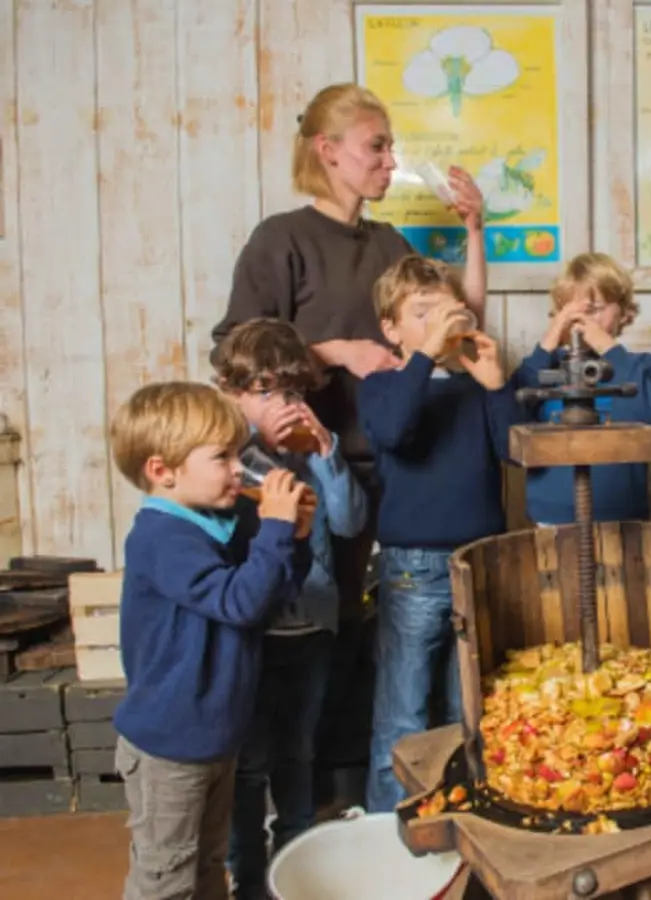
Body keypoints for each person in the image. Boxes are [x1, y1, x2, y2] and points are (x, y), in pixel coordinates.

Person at [210, 82, 488, 809]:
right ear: (327, 152)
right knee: (298, 640)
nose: (389, 159)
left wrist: (473, 230)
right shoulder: (281, 239)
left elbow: (451, 328)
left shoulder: (390, 243)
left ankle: (355, 794)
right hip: (305, 479)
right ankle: (295, 806)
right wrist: (335, 351)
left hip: (386, 474)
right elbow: (234, 346)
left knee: (363, 640)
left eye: (390, 146)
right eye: (376, 145)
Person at [108, 382, 310, 900]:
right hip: (170, 745)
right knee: (166, 876)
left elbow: (268, 595)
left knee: (207, 863)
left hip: (216, 736)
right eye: (221, 457)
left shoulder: (218, 524)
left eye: (237, 454)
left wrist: (293, 537)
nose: (239, 470)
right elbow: (237, 601)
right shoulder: (162, 538)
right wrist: (273, 532)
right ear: (162, 470)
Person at [358, 256, 523, 812]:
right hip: (412, 569)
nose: (436, 323)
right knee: (403, 712)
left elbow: (512, 454)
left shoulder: (475, 389)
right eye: (420, 313)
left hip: (478, 562)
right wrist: (426, 354)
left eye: (444, 310)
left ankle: (459, 822)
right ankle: (386, 828)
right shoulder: (382, 387)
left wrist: (498, 386)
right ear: (391, 328)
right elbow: (395, 433)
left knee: (466, 707)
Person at [214, 319, 369, 899]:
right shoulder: (225, 458)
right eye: (268, 392)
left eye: (295, 393)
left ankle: (295, 881)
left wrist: (327, 451)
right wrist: (255, 449)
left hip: (313, 627)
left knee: (299, 761)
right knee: (249, 769)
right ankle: (247, 883)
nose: (286, 405)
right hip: (252, 635)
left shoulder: (311, 455)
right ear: (232, 393)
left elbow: (352, 522)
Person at [515, 252, 651, 525]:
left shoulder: (638, 367)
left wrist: (608, 349)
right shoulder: (543, 368)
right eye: (571, 311)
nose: (582, 320)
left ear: (624, 312)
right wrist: (550, 340)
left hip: (622, 515)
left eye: (594, 309)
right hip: (552, 514)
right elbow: (512, 411)